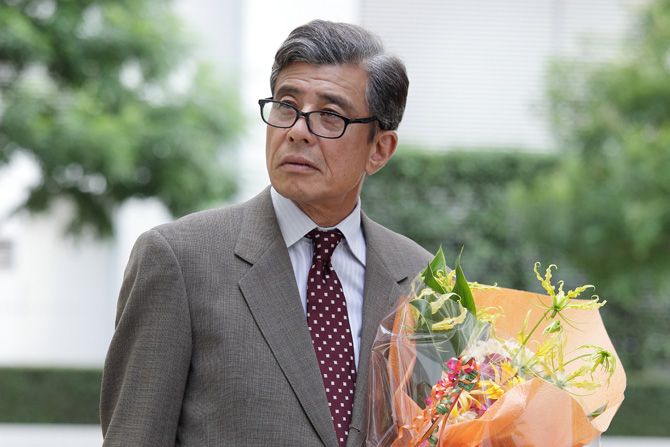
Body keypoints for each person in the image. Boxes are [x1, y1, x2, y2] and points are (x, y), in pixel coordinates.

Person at [100, 19, 431, 447]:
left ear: (380, 149)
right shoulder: (179, 259)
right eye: (286, 106)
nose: (297, 131)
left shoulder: (423, 279)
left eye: (330, 116)